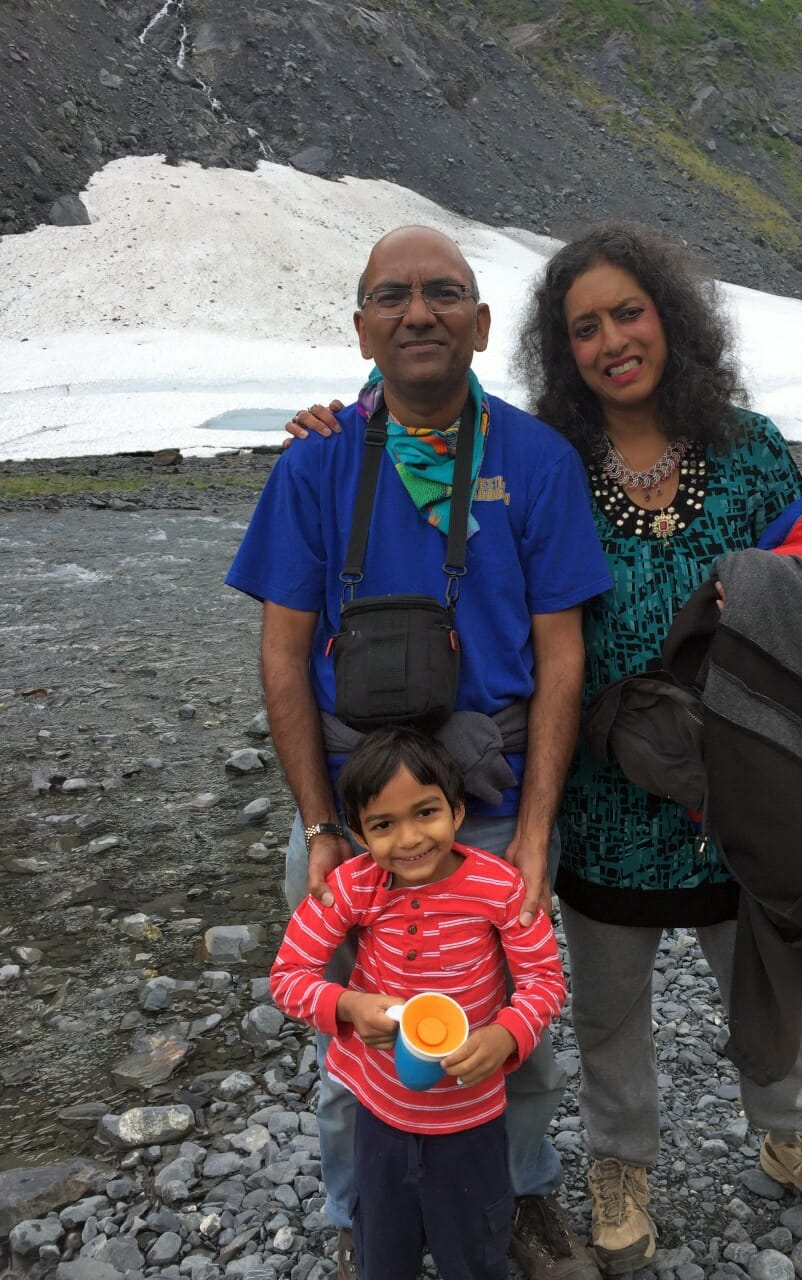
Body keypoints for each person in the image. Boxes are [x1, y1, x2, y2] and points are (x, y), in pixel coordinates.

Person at [290, 224, 802, 1277]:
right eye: (584, 327)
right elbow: (306, 626)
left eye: (630, 312)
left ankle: (790, 1127)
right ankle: (610, 1164)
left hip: (739, 778)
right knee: (599, 1005)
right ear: (559, 350)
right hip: (603, 796)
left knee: (770, 969)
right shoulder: (554, 456)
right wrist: (345, 417)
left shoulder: (735, 449)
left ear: (673, 317)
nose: (612, 340)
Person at [227, 224, 611, 1280]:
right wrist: (318, 826)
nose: (418, 311)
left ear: (482, 326)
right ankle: (366, 1210)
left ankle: (523, 1193)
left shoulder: (535, 460)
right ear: (361, 326)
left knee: (511, 1029)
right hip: (355, 814)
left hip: (485, 807)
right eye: (391, 296)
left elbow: (561, 654)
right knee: (351, 1039)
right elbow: (284, 650)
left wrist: (535, 831)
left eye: (444, 293)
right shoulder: (315, 463)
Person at [271, 727, 568, 1280]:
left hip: (473, 1114)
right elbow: (288, 976)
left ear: (458, 812)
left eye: (426, 813)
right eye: (383, 825)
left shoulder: (501, 887)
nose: (409, 840)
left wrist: (506, 1034)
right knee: (383, 1247)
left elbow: (545, 980)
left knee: (475, 1245)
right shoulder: (353, 886)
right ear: (358, 833)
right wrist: (347, 1006)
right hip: (380, 1114)